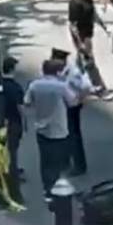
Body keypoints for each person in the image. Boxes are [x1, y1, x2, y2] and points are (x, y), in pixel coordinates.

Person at [25, 59, 80, 198]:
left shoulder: (35, 85)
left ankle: (47, 189)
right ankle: (59, 189)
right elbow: (73, 102)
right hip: (59, 129)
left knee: (45, 161)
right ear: (58, 72)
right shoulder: (61, 86)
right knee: (60, 162)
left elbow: (27, 102)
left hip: (42, 129)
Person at [67, 0, 113, 101]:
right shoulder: (74, 4)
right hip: (81, 37)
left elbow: (94, 15)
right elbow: (73, 26)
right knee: (89, 63)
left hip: (88, 35)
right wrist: (80, 44)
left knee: (79, 65)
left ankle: (71, 87)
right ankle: (100, 89)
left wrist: (105, 28)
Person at [51, 49, 93, 177]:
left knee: (73, 136)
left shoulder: (72, 73)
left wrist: (80, 98)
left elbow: (86, 86)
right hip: (62, 106)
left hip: (72, 107)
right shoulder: (58, 71)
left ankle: (79, 166)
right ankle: (66, 162)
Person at [2, 56, 27, 181]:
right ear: (12, 69)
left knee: (3, 146)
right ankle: (13, 174)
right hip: (14, 121)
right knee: (13, 149)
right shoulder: (16, 88)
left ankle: (7, 168)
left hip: (2, 119)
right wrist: (25, 121)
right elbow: (20, 107)